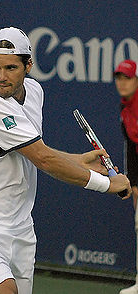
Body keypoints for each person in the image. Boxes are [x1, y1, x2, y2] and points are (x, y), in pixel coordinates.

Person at [0, 27, 131, 294]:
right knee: (6, 290)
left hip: (19, 227)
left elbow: (30, 150)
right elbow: (43, 159)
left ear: (28, 65)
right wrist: (107, 184)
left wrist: (78, 161)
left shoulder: (35, 92)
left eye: (10, 68)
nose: (0, 77)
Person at [114, 59, 138, 294]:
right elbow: (131, 146)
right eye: (119, 78)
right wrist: (134, 183)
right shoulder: (125, 106)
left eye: (127, 78)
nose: (122, 83)